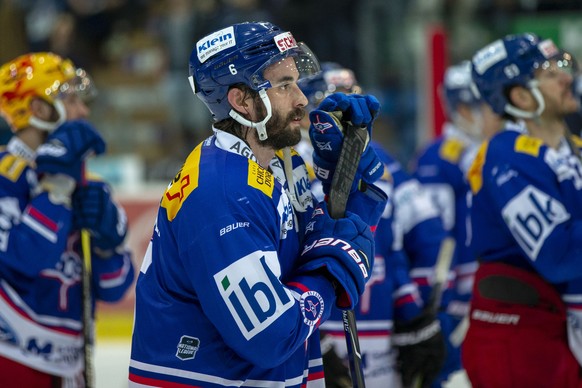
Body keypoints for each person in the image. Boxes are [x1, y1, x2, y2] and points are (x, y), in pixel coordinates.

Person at [129, 21, 388, 387]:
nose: (301, 98)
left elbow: (320, 245)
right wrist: (331, 276)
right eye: (283, 85)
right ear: (241, 101)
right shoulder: (221, 194)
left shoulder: (283, 164)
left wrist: (343, 188)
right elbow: (270, 335)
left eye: (295, 82)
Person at [298, 63, 446, 388]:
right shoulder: (291, 166)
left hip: (376, 326)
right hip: (321, 321)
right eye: (333, 100)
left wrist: (414, 315)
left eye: (353, 96)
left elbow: (404, 246)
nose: (347, 108)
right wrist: (310, 336)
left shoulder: (378, 159)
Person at [0, 52, 135, 387]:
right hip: (11, 357)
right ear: (39, 110)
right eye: (70, 99)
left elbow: (116, 288)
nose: (83, 111)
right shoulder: (6, 176)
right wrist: (55, 190)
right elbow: (27, 257)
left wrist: (108, 246)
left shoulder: (88, 184)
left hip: (69, 363)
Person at [463, 33, 582, 387]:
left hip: (556, 332)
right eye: (549, 73)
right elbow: (558, 255)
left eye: (562, 65)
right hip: (524, 345)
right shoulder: (506, 156)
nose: (566, 77)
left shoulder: (571, 148)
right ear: (520, 96)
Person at [412, 60, 503, 386]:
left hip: (487, 288)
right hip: (455, 296)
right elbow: (435, 237)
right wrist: (443, 296)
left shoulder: (491, 150)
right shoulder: (439, 157)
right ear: (461, 106)